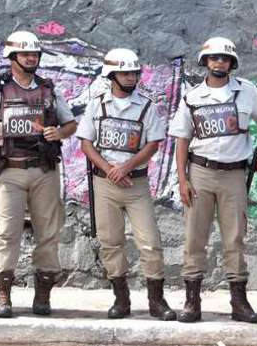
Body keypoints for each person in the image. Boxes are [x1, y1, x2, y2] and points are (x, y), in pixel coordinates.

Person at [168, 37, 257, 324]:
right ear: (205, 61)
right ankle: (192, 301)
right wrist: (182, 179)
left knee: (235, 237)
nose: (219, 62)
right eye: (214, 57)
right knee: (194, 237)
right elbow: (182, 139)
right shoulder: (192, 96)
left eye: (225, 58)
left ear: (231, 63)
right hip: (200, 172)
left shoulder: (246, 91)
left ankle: (239, 302)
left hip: (235, 175)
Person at [0, 31, 77, 318]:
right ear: (12, 57)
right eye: (25, 54)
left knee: (48, 234)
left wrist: (59, 132)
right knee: (6, 233)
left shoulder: (47, 89)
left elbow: (71, 124)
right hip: (9, 170)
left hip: (44, 170)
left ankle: (43, 294)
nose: (31, 58)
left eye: (35, 54)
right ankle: (3, 294)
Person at [76, 48, 177, 320]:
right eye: (125, 73)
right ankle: (121, 300)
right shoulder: (97, 105)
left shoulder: (146, 106)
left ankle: (156, 300)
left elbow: (153, 144)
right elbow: (86, 143)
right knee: (111, 242)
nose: (131, 77)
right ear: (112, 75)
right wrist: (109, 168)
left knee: (150, 242)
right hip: (105, 184)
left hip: (136, 184)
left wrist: (126, 167)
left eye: (134, 73)